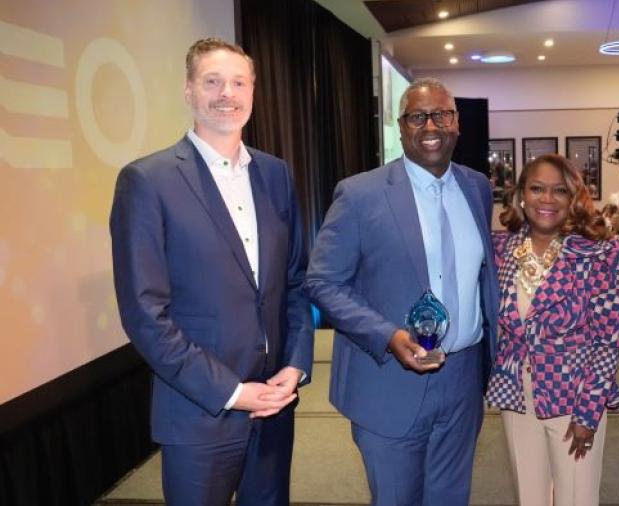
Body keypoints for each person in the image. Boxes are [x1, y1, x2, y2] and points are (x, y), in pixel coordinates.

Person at [109, 38, 313, 505]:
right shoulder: (147, 181)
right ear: (188, 91)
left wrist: (296, 364)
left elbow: (295, 282)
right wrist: (231, 392)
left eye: (239, 83)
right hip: (199, 413)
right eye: (212, 82)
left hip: (274, 405)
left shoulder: (276, 174)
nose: (227, 94)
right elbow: (144, 313)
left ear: (253, 91)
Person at [303, 77, 498, 506]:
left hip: (463, 379)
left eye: (442, 115)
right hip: (389, 380)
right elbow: (322, 281)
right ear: (401, 125)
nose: (431, 126)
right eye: (417, 116)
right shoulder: (360, 194)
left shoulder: (477, 188)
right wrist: (387, 335)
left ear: (457, 122)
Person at [486, 154, 619, 506]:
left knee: (577, 499)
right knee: (529, 498)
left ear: (573, 198)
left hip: (575, 399)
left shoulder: (603, 255)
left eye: (559, 190)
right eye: (537, 188)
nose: (547, 199)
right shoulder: (501, 248)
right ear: (521, 195)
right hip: (516, 396)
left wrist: (589, 413)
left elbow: (607, 342)